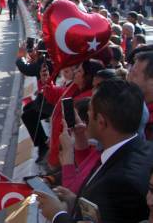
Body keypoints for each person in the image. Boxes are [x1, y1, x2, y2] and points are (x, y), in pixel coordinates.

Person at [36, 79, 153, 223]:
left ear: (102, 122)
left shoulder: (120, 183)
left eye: (90, 111)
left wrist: (57, 215)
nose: (86, 116)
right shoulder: (140, 148)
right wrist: (76, 202)